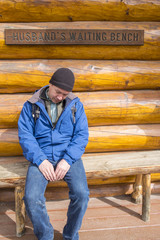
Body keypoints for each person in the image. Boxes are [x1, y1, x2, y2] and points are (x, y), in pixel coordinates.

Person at [18, 68, 89, 240]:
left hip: (68, 156)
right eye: (58, 92)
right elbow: (26, 136)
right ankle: (46, 235)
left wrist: (67, 160)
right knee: (31, 198)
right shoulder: (31, 105)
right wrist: (41, 160)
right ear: (50, 84)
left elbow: (81, 135)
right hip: (41, 156)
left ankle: (71, 235)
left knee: (81, 195)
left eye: (65, 94)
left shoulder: (76, 105)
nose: (60, 97)